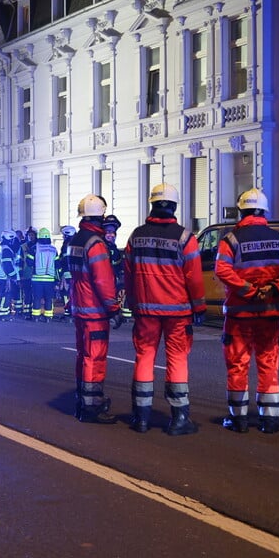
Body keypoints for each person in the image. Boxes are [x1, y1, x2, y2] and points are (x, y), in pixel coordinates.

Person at [215, 188, 279, 434]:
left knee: (237, 363)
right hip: (270, 311)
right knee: (268, 362)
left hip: (239, 314)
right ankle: (270, 420)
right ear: (263, 211)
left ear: (241, 211)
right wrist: (275, 288)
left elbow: (222, 270)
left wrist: (247, 289)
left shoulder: (230, 240)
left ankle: (238, 419)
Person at [123, 184, 207, 435]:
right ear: (174, 206)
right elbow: (194, 277)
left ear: (152, 205)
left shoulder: (136, 236)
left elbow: (128, 274)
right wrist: (199, 306)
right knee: (177, 359)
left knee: (144, 357)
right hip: (177, 311)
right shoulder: (185, 237)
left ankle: (141, 418)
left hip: (146, 310)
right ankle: (179, 418)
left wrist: (132, 301)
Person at [67, 195, 121, 424]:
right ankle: (92, 407)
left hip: (80, 308)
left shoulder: (75, 241)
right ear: (100, 216)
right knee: (94, 358)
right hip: (95, 311)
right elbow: (103, 280)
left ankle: (83, 399)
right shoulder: (96, 244)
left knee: (83, 355)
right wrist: (114, 308)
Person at [101, 215, 132, 328]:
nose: (111, 235)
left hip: (113, 279)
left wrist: (121, 274)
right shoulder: (102, 247)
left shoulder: (114, 248)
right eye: (108, 231)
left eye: (113, 232)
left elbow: (118, 264)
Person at [30, 227, 58, 322]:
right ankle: (48, 317)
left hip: (37, 279)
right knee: (48, 298)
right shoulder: (53, 249)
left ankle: (36, 317)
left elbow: (29, 262)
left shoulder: (34, 248)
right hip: (50, 280)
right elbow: (57, 264)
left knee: (37, 298)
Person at [0, 230, 21, 321]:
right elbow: (7, 265)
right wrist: (13, 275)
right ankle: (3, 314)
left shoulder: (2, 248)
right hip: (5, 278)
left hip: (2, 277)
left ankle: (5, 313)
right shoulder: (6, 249)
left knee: (5, 295)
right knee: (5, 295)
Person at [57, 225, 77, 321]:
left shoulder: (67, 244)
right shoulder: (77, 243)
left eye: (64, 235)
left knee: (66, 292)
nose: (63, 237)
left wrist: (63, 275)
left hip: (68, 273)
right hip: (76, 273)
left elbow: (65, 261)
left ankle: (68, 312)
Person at [19, 227, 37, 320]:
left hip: (36, 274)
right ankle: (27, 312)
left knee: (36, 294)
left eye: (32, 235)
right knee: (27, 294)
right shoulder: (23, 247)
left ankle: (34, 312)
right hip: (26, 274)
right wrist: (20, 274)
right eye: (29, 235)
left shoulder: (38, 246)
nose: (31, 237)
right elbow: (21, 261)